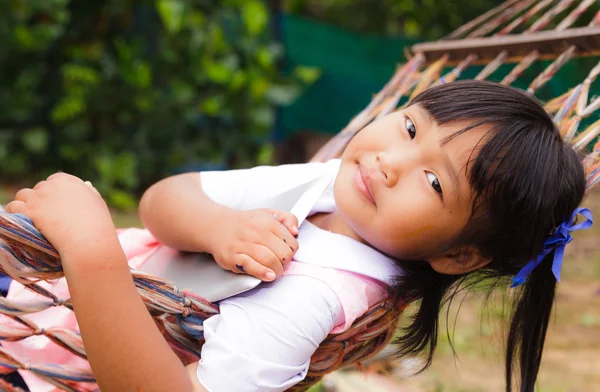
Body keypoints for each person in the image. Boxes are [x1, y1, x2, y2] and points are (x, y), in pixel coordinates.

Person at [1, 80, 591, 392]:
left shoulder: (311, 297)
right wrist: (216, 225)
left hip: (51, 366)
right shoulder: (334, 185)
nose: (390, 160)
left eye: (434, 181)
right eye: (411, 126)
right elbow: (164, 199)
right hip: (36, 300)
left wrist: (90, 250)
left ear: (460, 253)